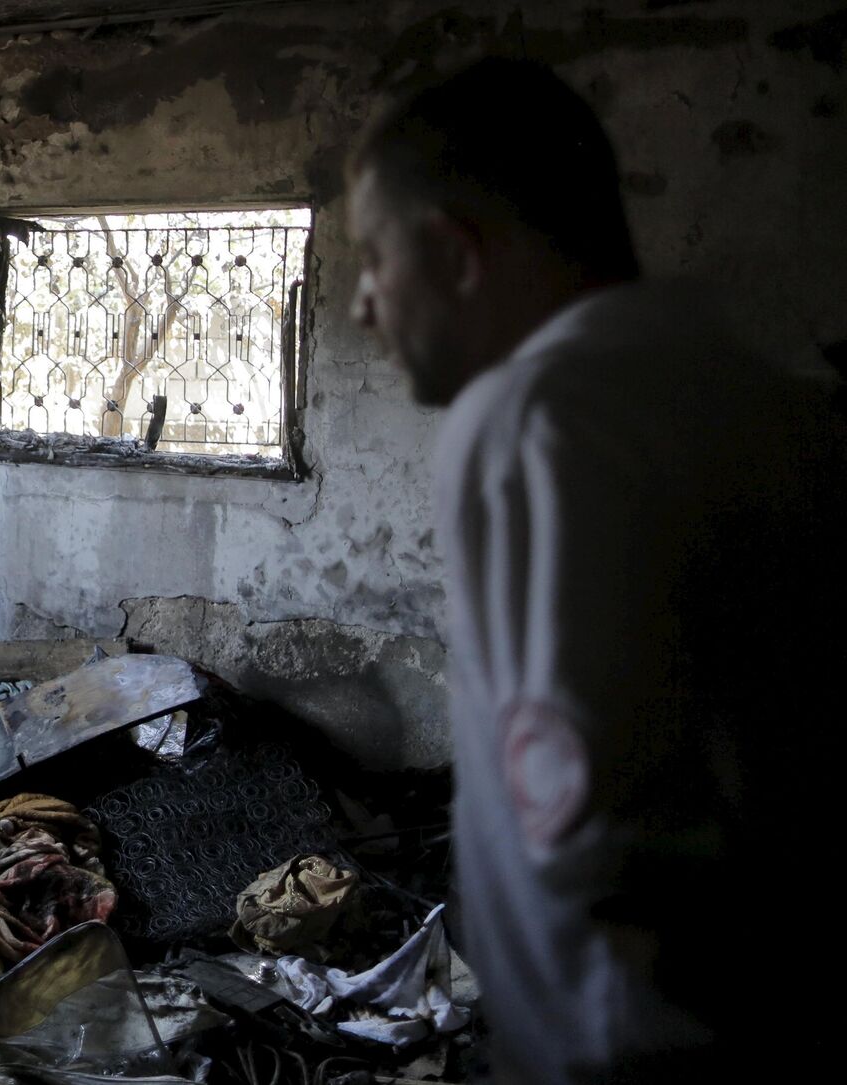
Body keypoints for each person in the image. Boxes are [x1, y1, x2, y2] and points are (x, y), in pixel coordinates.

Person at [347, 57, 841, 1081]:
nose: (362, 303)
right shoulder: (763, 399)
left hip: (616, 1037)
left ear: (455, 254)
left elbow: (582, 815)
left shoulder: (534, 415)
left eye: (372, 258)